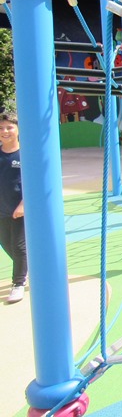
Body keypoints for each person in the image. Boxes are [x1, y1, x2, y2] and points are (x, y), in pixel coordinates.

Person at [0, 112, 27, 303]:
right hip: (2, 208)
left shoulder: (24, 154)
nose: (5, 131)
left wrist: (24, 204)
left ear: (17, 129)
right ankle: (26, 267)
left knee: (18, 246)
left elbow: (32, 183)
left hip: (19, 209)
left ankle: (18, 283)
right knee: (6, 244)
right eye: (1, 128)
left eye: (9, 127)